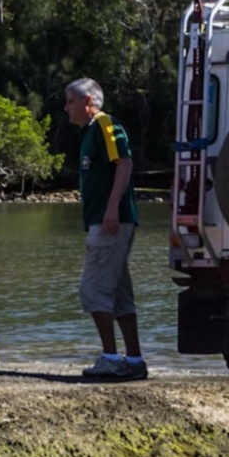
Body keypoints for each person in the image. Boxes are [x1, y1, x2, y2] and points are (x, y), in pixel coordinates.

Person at [64, 78, 144, 380]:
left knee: (93, 289)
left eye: (70, 101)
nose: (66, 108)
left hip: (111, 222)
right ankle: (134, 360)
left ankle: (111, 358)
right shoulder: (88, 133)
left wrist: (112, 208)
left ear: (87, 101)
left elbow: (124, 163)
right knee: (119, 293)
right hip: (106, 221)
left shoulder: (104, 123)